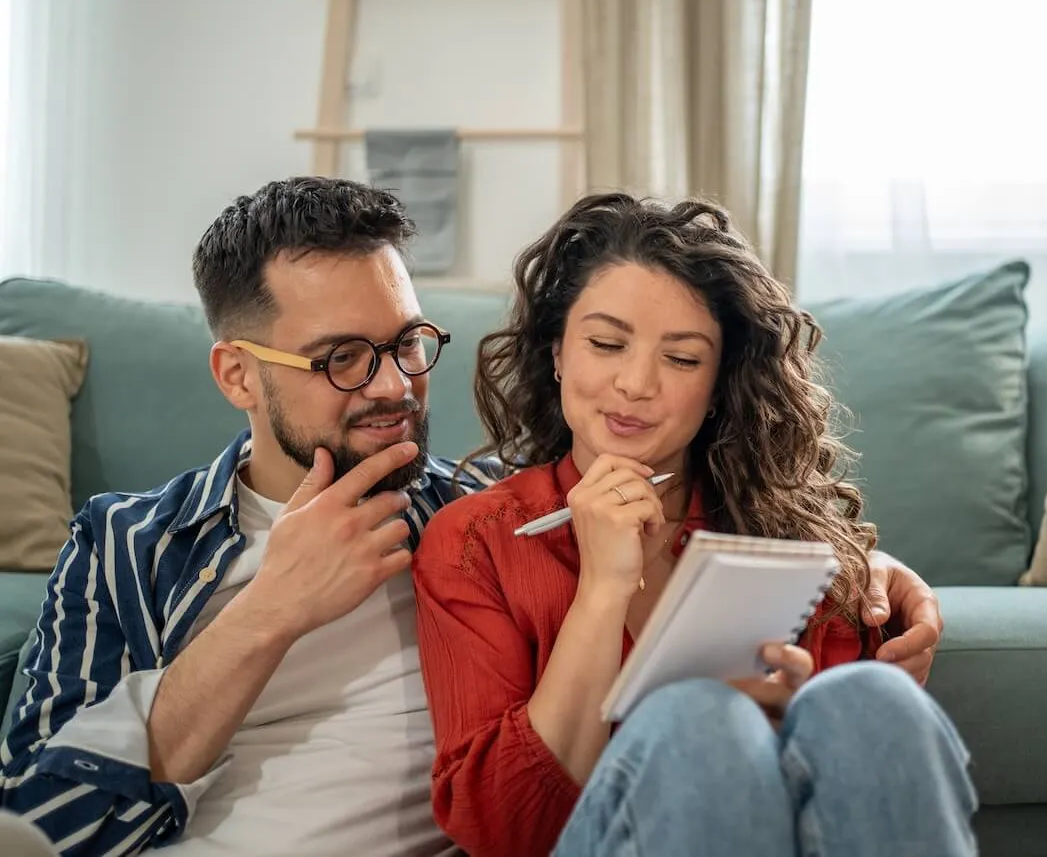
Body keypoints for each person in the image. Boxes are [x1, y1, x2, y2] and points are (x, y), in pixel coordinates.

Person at [0, 177, 947, 857]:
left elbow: (640, 487)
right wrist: (271, 608)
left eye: (408, 343)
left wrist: (868, 568)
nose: (391, 384)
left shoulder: (466, 508)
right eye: (341, 358)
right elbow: (40, 817)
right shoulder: (128, 542)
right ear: (238, 373)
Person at [412, 192, 978, 857]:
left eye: (682, 359)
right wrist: (602, 588)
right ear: (558, 351)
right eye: (605, 343)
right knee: (696, 718)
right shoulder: (477, 540)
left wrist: (778, 724)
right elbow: (504, 829)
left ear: (717, 384)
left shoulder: (780, 536)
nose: (636, 383)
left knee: (869, 698)